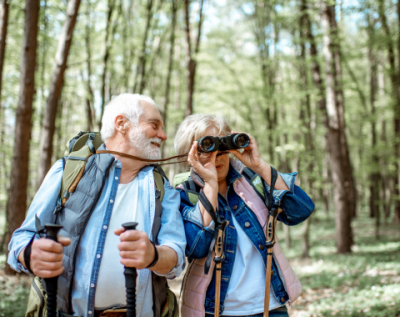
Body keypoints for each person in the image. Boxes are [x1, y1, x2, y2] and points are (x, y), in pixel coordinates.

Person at [8, 93, 186, 317]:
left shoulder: (163, 188)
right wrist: (30, 254)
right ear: (121, 124)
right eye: (154, 125)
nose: (163, 135)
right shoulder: (67, 171)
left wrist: (153, 255)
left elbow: (176, 259)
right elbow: (20, 240)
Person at [174, 114, 314, 317]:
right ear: (189, 154)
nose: (217, 156)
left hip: (270, 307)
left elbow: (300, 211)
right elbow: (196, 247)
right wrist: (210, 185)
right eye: (207, 147)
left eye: (222, 146)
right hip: (215, 310)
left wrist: (260, 166)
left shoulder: (252, 181)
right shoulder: (185, 193)